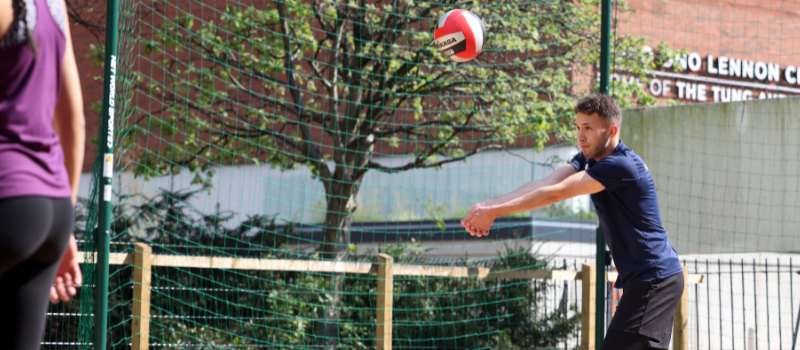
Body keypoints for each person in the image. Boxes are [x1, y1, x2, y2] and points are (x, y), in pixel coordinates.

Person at [461, 94, 683, 349]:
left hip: (653, 280)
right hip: (650, 280)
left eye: (588, 128)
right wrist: (489, 206)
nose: (581, 135)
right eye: (578, 127)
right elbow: (547, 183)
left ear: (611, 130)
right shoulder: (589, 159)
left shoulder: (619, 165)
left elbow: (557, 193)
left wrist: (494, 213)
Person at [0, 0, 85, 348]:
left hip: (8, 198)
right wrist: (66, 227)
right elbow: (74, 122)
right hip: (53, 208)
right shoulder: (52, 4)